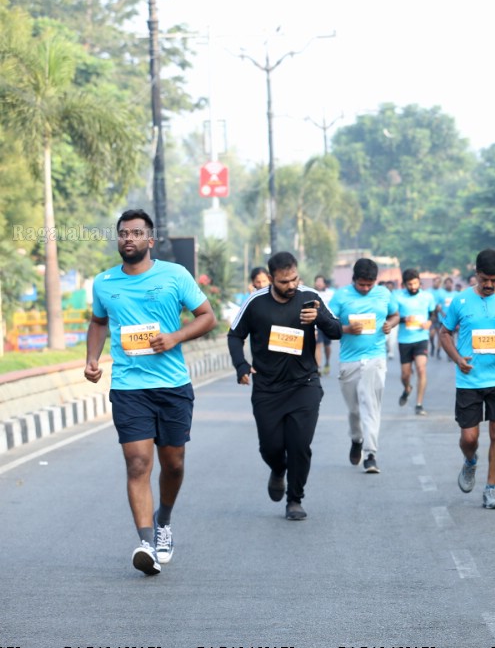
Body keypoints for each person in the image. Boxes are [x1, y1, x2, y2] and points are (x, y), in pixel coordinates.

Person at [84, 208, 216, 575]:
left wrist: (174, 336)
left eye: (136, 233)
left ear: (150, 240)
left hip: (172, 386)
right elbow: (98, 322)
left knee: (173, 464)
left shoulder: (175, 276)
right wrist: (92, 358)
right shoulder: (105, 283)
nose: (128, 238)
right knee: (138, 462)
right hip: (129, 388)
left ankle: (164, 522)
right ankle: (146, 543)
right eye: (123, 233)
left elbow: (207, 317)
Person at [227, 252, 343, 520]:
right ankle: (278, 470)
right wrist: (241, 366)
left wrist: (319, 319)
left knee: (300, 445)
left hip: (304, 385)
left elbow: (336, 330)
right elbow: (235, 335)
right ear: (270, 279)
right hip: (267, 389)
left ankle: (295, 500)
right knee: (271, 447)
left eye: (294, 279)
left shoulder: (309, 297)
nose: (291, 286)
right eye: (283, 282)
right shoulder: (255, 303)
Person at [440, 249, 495, 510]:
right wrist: (457, 359)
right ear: (475, 273)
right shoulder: (460, 302)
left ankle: (490, 490)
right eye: (484, 279)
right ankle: (470, 461)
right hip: (469, 380)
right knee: (469, 438)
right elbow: (444, 333)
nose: (488, 285)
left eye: (494, 280)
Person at [328, 258, 399, 474]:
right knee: (354, 410)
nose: (366, 289)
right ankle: (356, 439)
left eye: (370, 284)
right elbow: (328, 323)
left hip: (375, 357)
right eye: (362, 285)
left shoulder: (384, 294)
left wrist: (389, 324)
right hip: (349, 359)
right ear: (353, 280)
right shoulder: (341, 296)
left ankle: (371, 454)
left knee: (371, 405)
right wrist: (347, 329)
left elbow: (396, 315)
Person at [393, 268, 437, 416]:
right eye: (409, 284)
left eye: (415, 283)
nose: (413, 287)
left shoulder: (427, 297)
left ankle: (419, 404)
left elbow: (432, 314)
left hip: (421, 338)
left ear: (419, 282)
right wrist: (405, 319)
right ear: (404, 284)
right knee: (405, 375)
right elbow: (391, 317)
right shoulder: (397, 297)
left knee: (421, 369)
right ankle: (407, 388)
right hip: (404, 339)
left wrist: (430, 323)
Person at [312, 274, 335, 376]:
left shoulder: (331, 294)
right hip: (317, 323)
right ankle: (319, 367)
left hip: (328, 322)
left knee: (327, 346)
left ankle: (327, 362)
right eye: (317, 281)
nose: (319, 283)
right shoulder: (312, 293)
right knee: (318, 344)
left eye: (321, 281)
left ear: (324, 283)